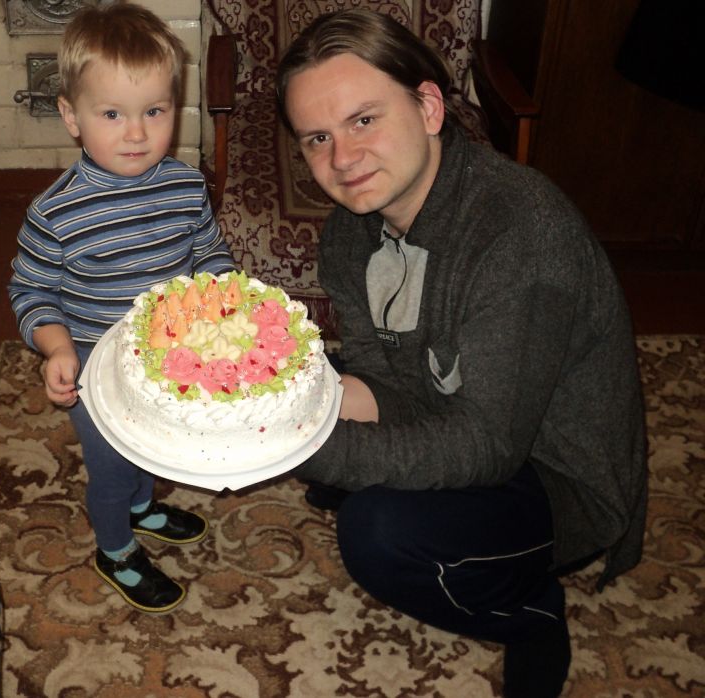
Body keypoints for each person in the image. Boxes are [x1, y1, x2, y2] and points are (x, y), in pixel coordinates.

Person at [277, 9, 647, 697]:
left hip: (553, 472)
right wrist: (281, 418)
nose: (343, 159)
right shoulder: (351, 230)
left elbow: (489, 447)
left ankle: (530, 615)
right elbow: (378, 374)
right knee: (288, 382)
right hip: (444, 398)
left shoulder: (520, 234)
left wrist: (309, 448)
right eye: (318, 138)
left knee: (376, 532)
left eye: (364, 120)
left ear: (428, 107)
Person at [8, 2, 235, 614]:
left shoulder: (186, 185)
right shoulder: (55, 213)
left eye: (154, 111)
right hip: (94, 368)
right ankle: (115, 547)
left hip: (167, 357)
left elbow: (209, 251)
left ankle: (142, 505)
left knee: (153, 443)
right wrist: (56, 346)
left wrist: (222, 292)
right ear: (71, 116)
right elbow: (31, 291)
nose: (136, 133)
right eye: (112, 114)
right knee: (111, 463)